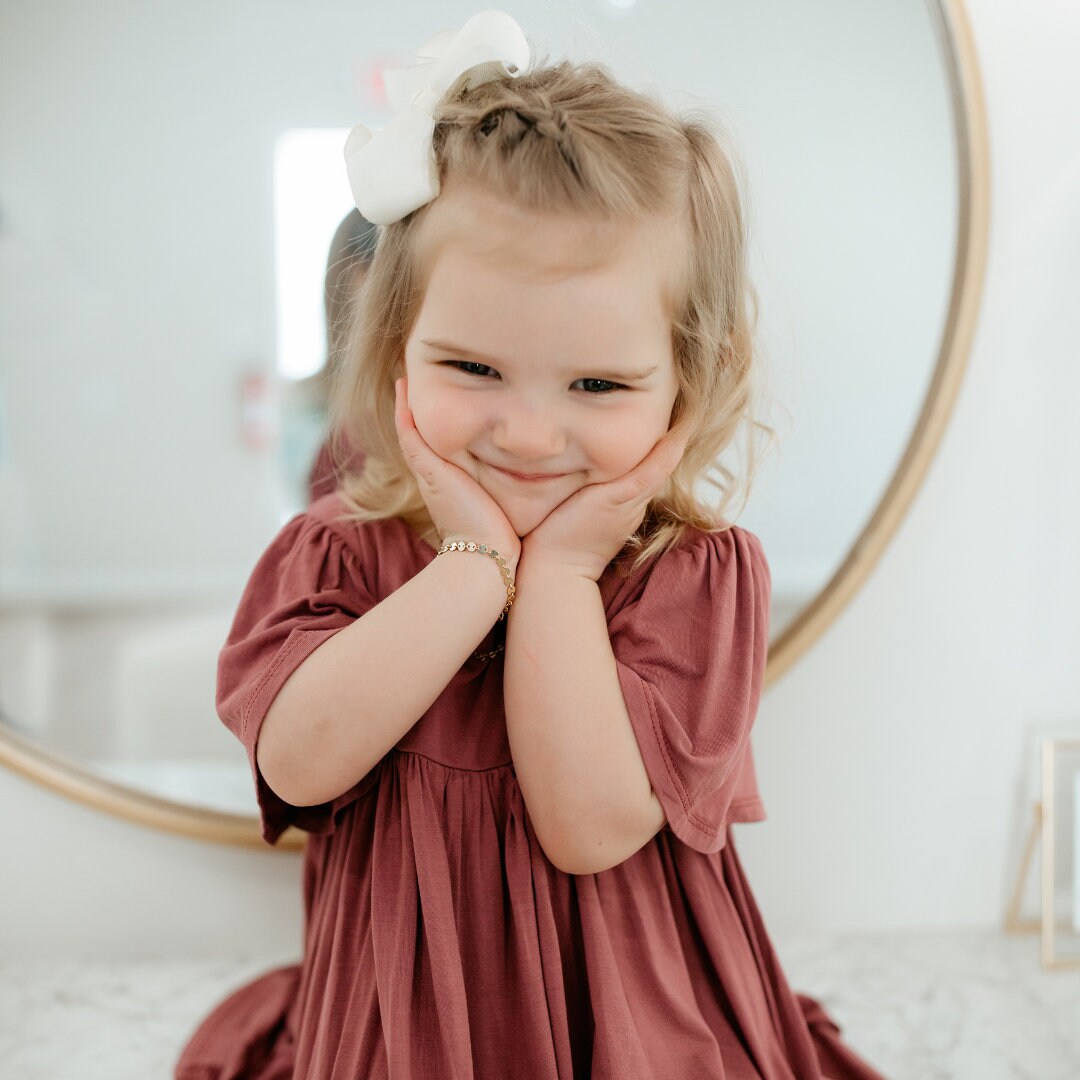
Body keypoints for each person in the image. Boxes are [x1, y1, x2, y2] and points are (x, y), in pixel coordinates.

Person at [176, 11, 885, 1079]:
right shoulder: (337, 558)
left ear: (688, 382)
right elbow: (302, 765)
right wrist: (473, 567)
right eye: (472, 369)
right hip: (408, 1034)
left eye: (597, 386)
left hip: (634, 1034)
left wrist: (555, 573)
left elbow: (589, 826)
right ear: (394, 347)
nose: (528, 432)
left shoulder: (689, 575)